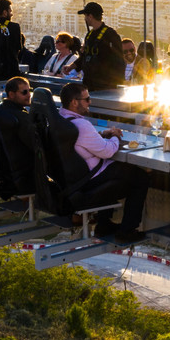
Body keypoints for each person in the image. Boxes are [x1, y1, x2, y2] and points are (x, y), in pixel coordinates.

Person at [58, 82, 149, 244]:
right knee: (140, 177)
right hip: (90, 179)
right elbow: (107, 151)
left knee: (124, 172)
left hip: (74, 178)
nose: (90, 102)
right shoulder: (82, 125)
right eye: (87, 99)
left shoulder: (60, 119)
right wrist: (114, 135)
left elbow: (83, 140)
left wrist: (102, 134)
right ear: (74, 102)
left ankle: (104, 224)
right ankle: (127, 231)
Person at [73, 2, 124, 91]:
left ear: (90, 16)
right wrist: (71, 66)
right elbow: (85, 56)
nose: (85, 19)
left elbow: (119, 60)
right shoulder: (89, 35)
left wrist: (117, 81)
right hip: (89, 82)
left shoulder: (110, 34)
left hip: (105, 85)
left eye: (85, 16)